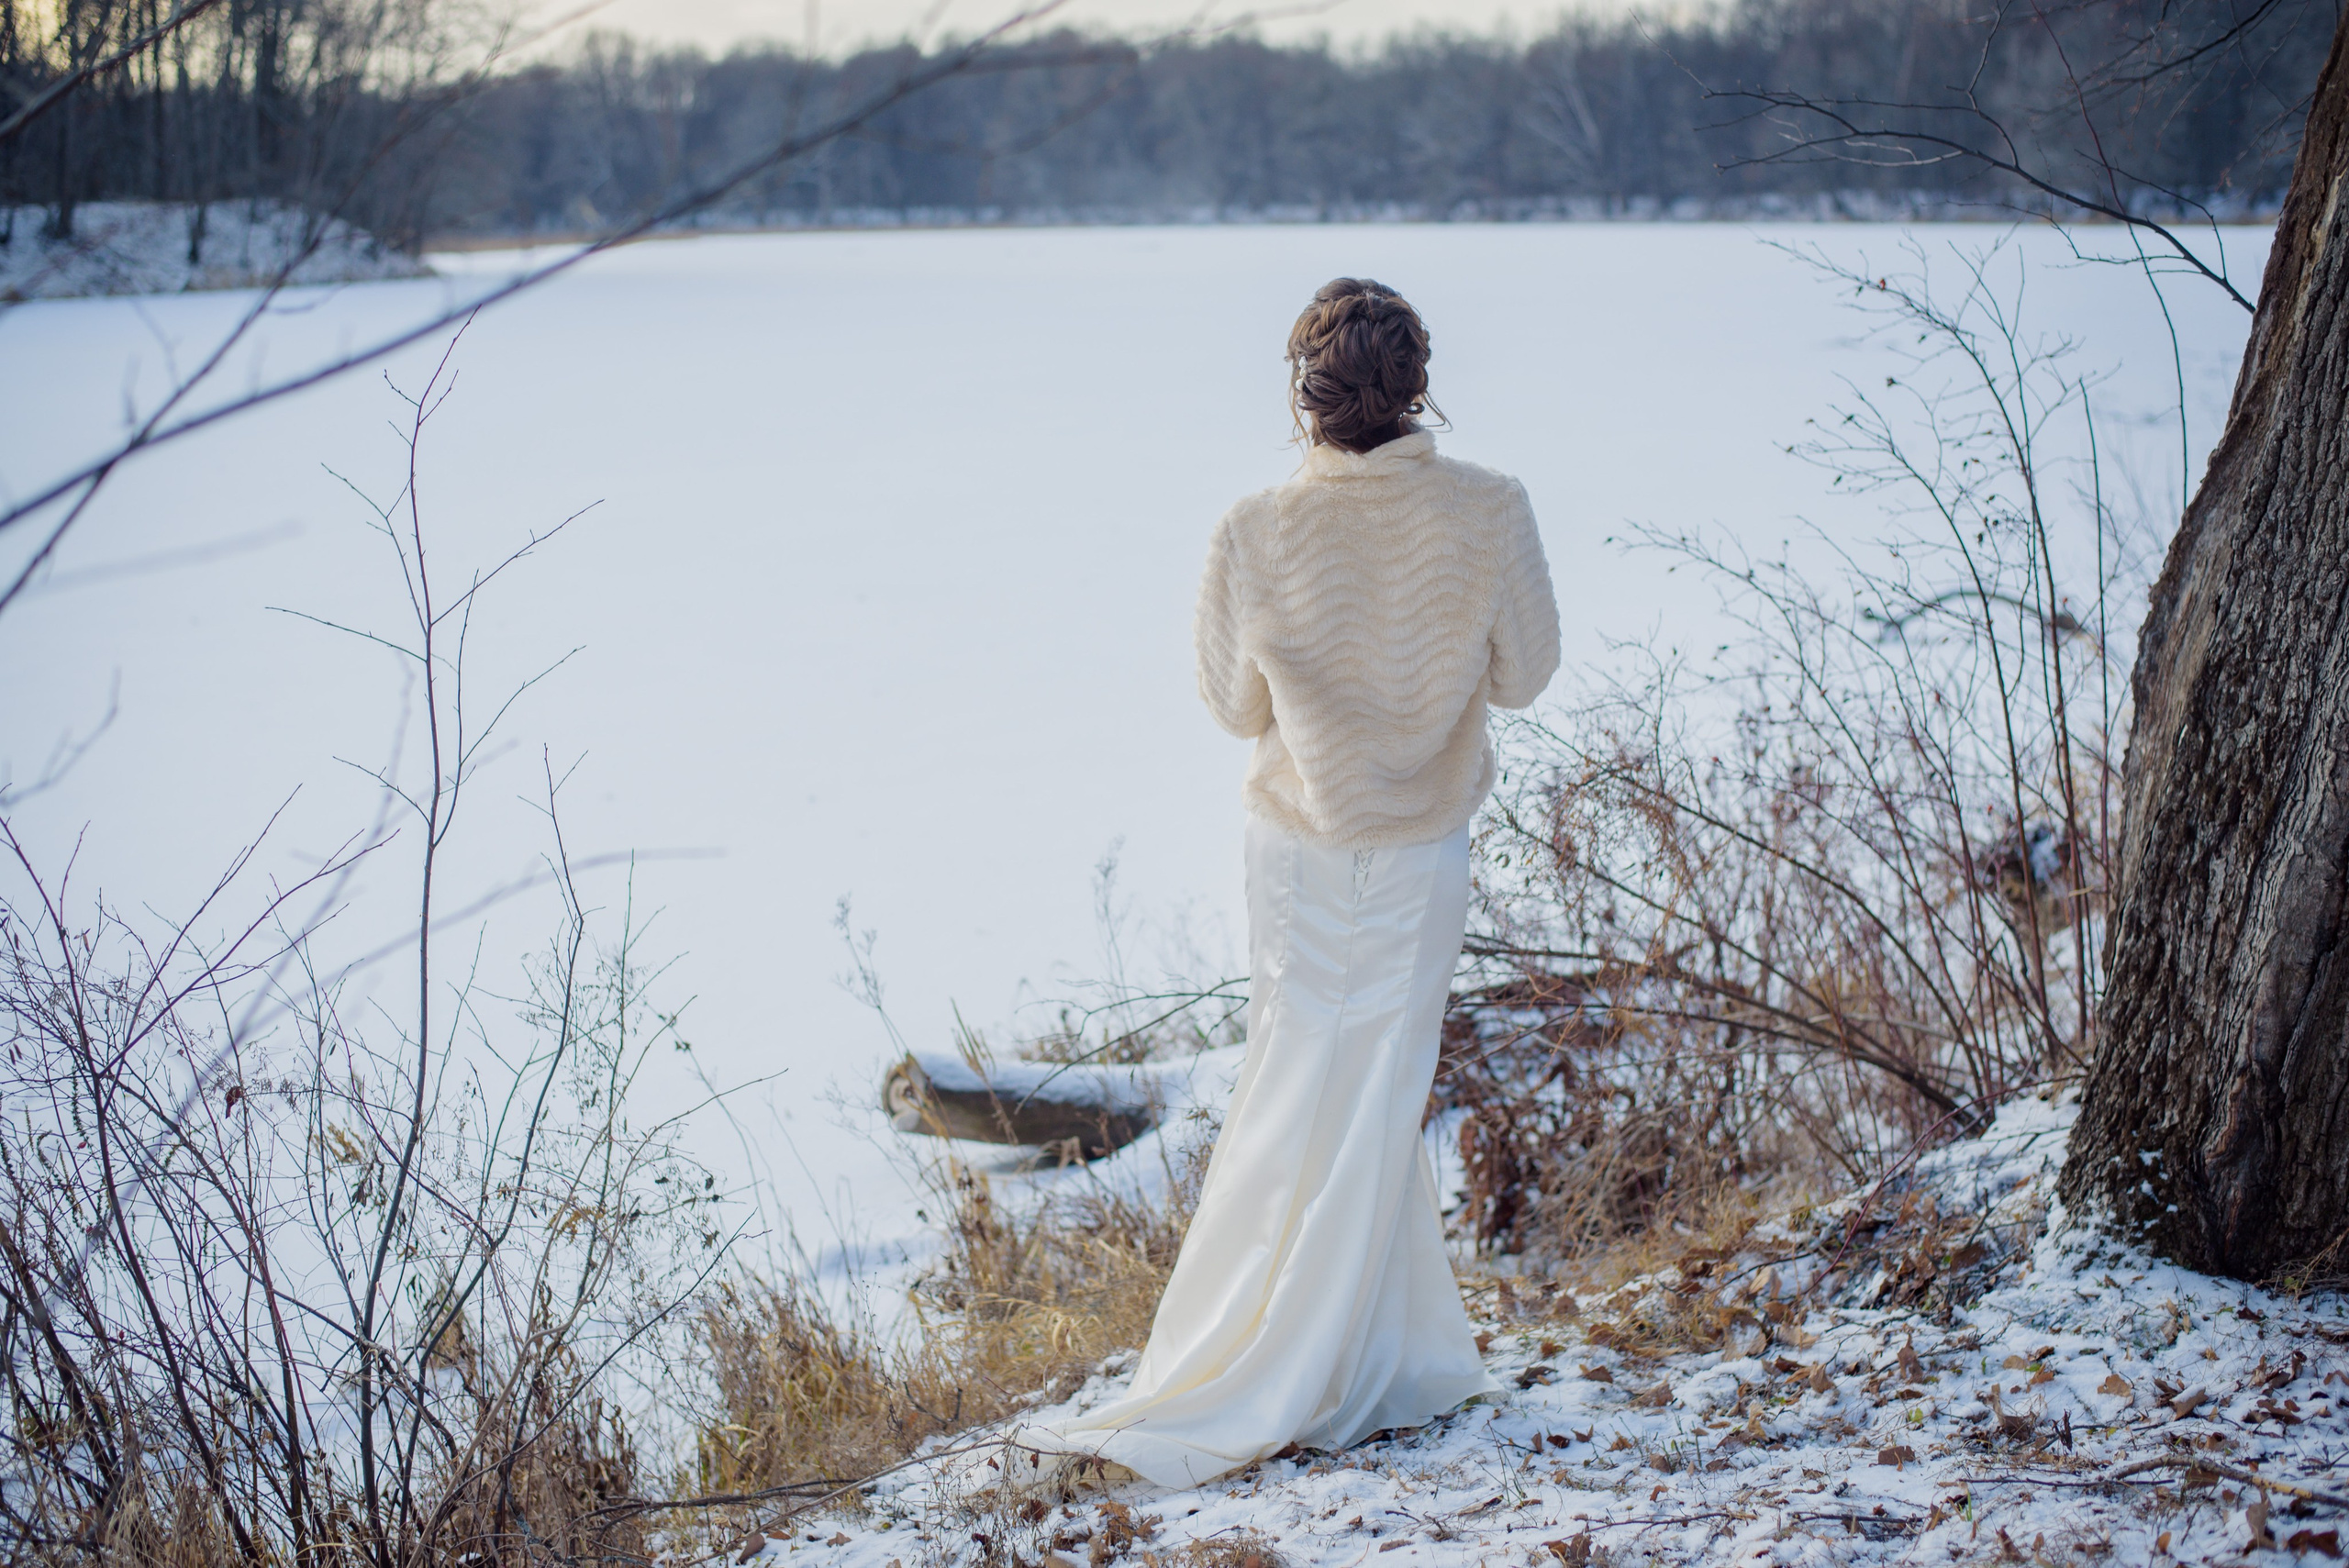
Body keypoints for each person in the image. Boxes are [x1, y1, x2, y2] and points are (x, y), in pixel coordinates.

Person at [1015, 276, 1561, 1489]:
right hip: (1420, 846)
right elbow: (1526, 675)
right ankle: (1354, 1361)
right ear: (1419, 387)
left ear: (1304, 395)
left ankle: (1328, 1354)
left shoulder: (1252, 527)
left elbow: (1230, 706)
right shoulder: (1492, 509)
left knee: (1291, 1085)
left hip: (1296, 848)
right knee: (1375, 1094)